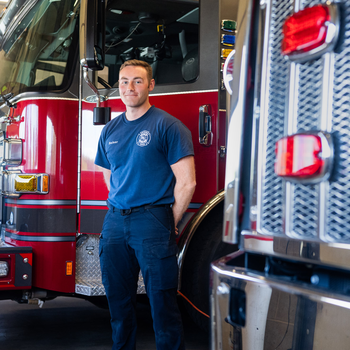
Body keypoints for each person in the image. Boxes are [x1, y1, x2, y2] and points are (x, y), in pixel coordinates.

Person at [95, 59, 196, 350]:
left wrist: (168, 221)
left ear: (150, 85)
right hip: (114, 223)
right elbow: (109, 175)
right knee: (118, 302)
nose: (130, 87)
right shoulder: (110, 130)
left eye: (137, 81)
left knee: (162, 304)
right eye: (124, 81)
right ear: (118, 87)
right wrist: (121, 203)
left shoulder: (168, 126)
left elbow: (187, 182)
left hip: (152, 220)